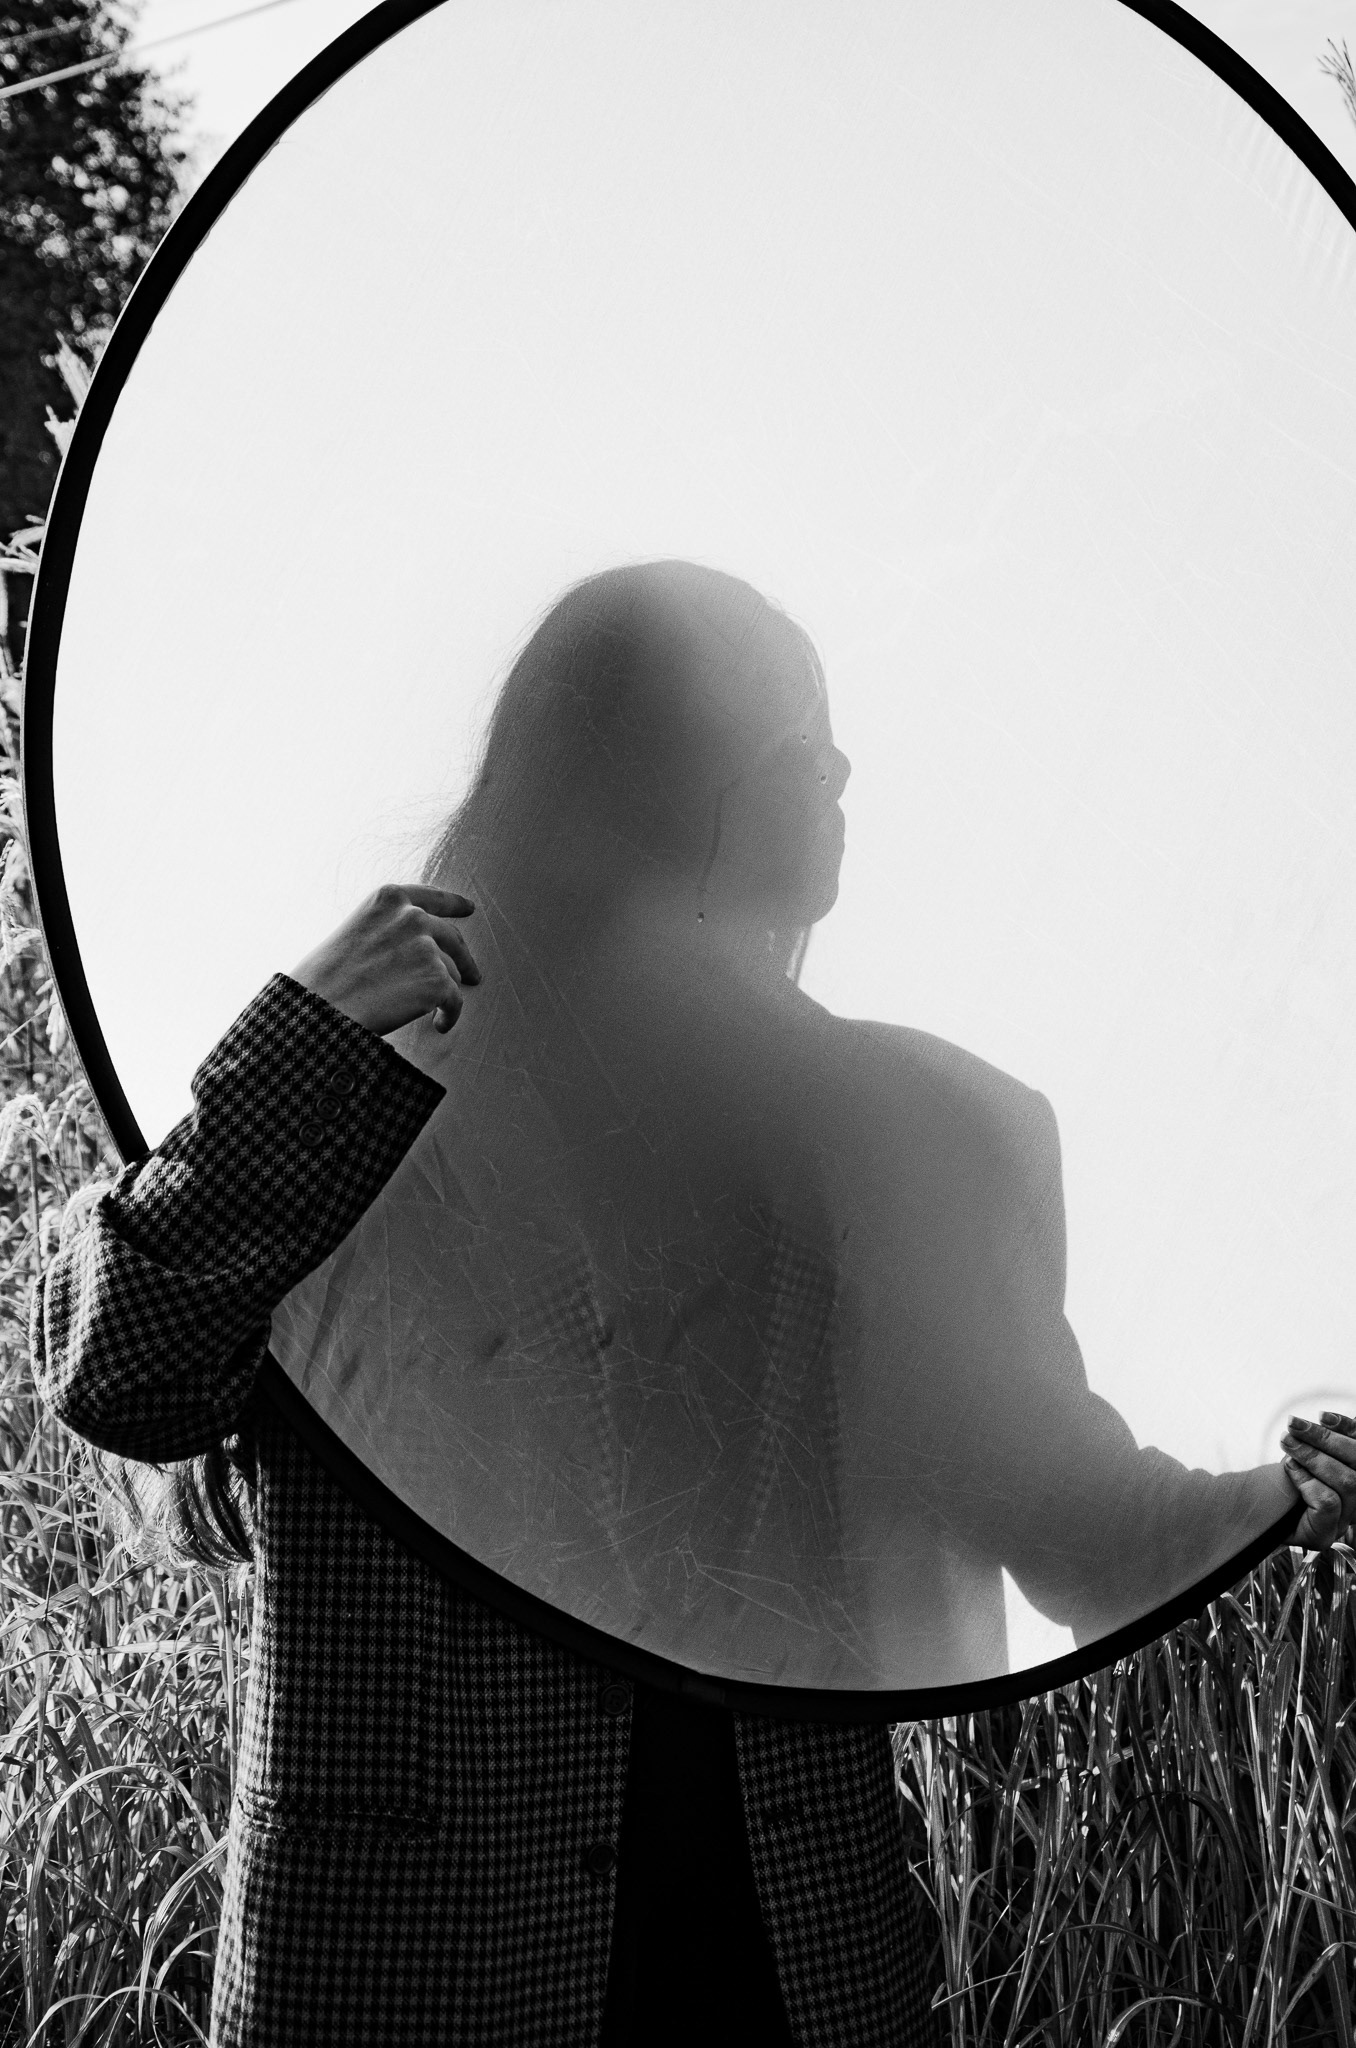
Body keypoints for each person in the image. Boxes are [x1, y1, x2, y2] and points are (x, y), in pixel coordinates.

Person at [31, 560, 1356, 2047]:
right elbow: (124, 1378)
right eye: (793, 740)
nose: (842, 776)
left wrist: (1281, 1496)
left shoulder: (914, 1131)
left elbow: (1076, 1526)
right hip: (417, 1952)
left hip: (786, 1952)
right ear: (637, 785)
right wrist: (304, 1039)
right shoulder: (372, 1089)